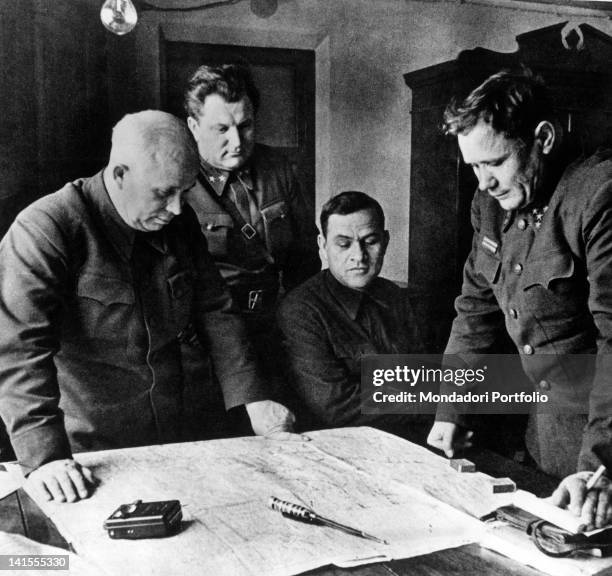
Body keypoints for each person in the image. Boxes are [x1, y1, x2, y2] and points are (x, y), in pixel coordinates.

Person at [0, 110, 300, 504]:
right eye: (162, 193)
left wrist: (253, 398)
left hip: (181, 434)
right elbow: (19, 350)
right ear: (120, 173)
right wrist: (45, 458)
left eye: (185, 191)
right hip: (93, 454)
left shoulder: (176, 222)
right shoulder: (45, 229)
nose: (177, 208)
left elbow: (216, 310)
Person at [425, 69, 612, 529]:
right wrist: (452, 408)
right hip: (545, 440)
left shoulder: (597, 195)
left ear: (543, 138)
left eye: (494, 162)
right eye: (473, 166)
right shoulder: (490, 206)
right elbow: (475, 312)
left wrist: (598, 466)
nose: (483, 181)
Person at [182, 64, 320, 421]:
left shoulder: (279, 169)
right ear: (194, 127)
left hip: (275, 328)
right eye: (222, 129)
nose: (238, 141)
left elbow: (304, 261)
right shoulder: (180, 182)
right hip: (212, 341)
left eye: (245, 126)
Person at [277, 191, 429, 440]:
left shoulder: (394, 295)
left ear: (386, 241)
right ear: (322, 246)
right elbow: (336, 408)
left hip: (410, 440)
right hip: (337, 448)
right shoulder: (301, 310)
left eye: (370, 241)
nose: (358, 256)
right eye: (344, 244)